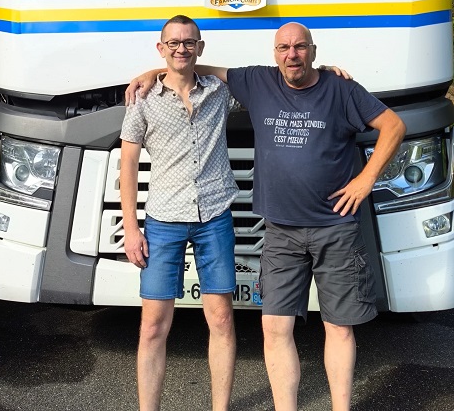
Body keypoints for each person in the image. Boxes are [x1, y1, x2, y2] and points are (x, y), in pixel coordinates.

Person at [126, 21, 406, 411]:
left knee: (332, 327)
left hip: (324, 227)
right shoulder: (254, 83)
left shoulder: (335, 88)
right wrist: (152, 73)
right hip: (266, 230)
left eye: (300, 47)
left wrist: (365, 180)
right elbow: (190, 71)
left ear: (313, 50)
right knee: (267, 328)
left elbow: (394, 125)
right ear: (274, 54)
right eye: (284, 48)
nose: (292, 54)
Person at [120, 14, 239, 411]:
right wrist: (132, 229)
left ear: (200, 47)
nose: (181, 48)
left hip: (214, 217)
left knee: (221, 319)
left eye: (189, 42)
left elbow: (273, 84)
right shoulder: (143, 100)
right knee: (153, 326)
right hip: (163, 221)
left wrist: (324, 73)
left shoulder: (220, 92)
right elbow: (128, 166)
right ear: (161, 48)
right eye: (173, 43)